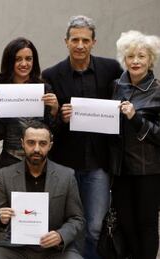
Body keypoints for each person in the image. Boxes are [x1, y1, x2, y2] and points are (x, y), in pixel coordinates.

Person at [41, 15, 123, 259]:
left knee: (95, 226)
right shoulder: (52, 75)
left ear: (93, 42)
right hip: (64, 164)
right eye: (74, 39)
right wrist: (59, 116)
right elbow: (46, 126)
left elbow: (122, 104)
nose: (80, 45)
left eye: (85, 40)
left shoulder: (111, 70)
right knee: (64, 224)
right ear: (66, 42)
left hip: (98, 164)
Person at [0, 120, 84, 259]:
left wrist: (61, 235)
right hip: (16, 248)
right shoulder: (6, 174)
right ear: (22, 143)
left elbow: (77, 219)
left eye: (42, 143)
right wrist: (1, 218)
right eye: (31, 142)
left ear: (50, 146)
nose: (36, 149)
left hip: (55, 249)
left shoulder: (66, 176)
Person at [110, 30, 160, 259]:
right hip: (120, 170)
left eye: (141, 56)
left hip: (148, 171)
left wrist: (136, 118)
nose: (135, 61)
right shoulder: (115, 87)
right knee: (125, 225)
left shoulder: (158, 92)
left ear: (150, 60)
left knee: (146, 226)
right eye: (130, 56)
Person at [0, 37, 59, 179]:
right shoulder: (0, 89)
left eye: (28, 59)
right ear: (10, 61)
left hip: (40, 161)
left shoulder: (44, 89)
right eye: (18, 59)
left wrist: (55, 109)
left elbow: (53, 129)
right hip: (9, 160)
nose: (24, 64)